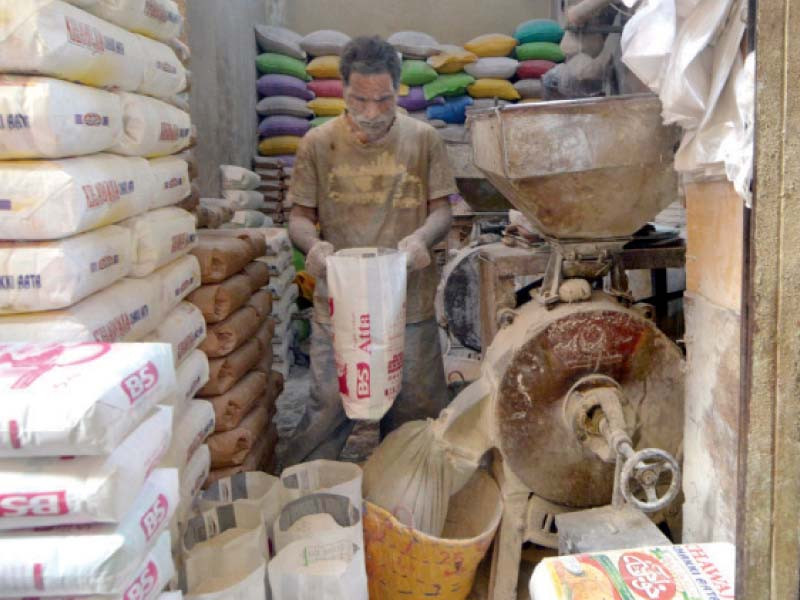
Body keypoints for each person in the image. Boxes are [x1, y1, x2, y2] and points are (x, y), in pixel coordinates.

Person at [284, 35, 457, 465]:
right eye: (360, 100)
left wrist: (422, 239)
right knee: (327, 413)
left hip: (408, 303)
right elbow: (299, 218)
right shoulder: (318, 144)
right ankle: (304, 503)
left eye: (383, 100)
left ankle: (409, 508)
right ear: (343, 91)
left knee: (417, 424)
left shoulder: (423, 141)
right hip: (341, 307)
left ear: (397, 89)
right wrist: (314, 246)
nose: (372, 112)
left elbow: (442, 212)